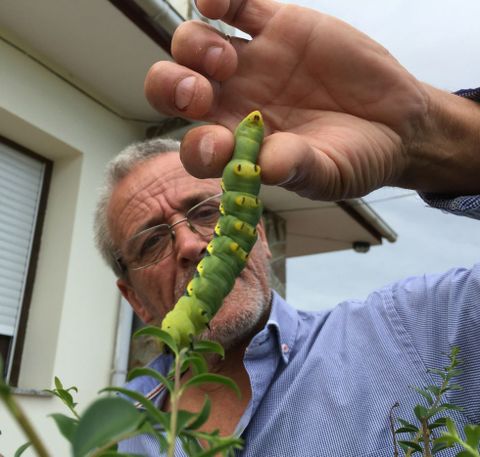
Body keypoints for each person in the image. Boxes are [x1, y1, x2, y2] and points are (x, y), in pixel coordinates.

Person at [94, 0, 480, 455]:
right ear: (133, 298)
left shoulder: (417, 334)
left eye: (205, 212)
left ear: (257, 234)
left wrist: (431, 138)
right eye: (152, 240)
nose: (188, 244)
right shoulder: (112, 430)